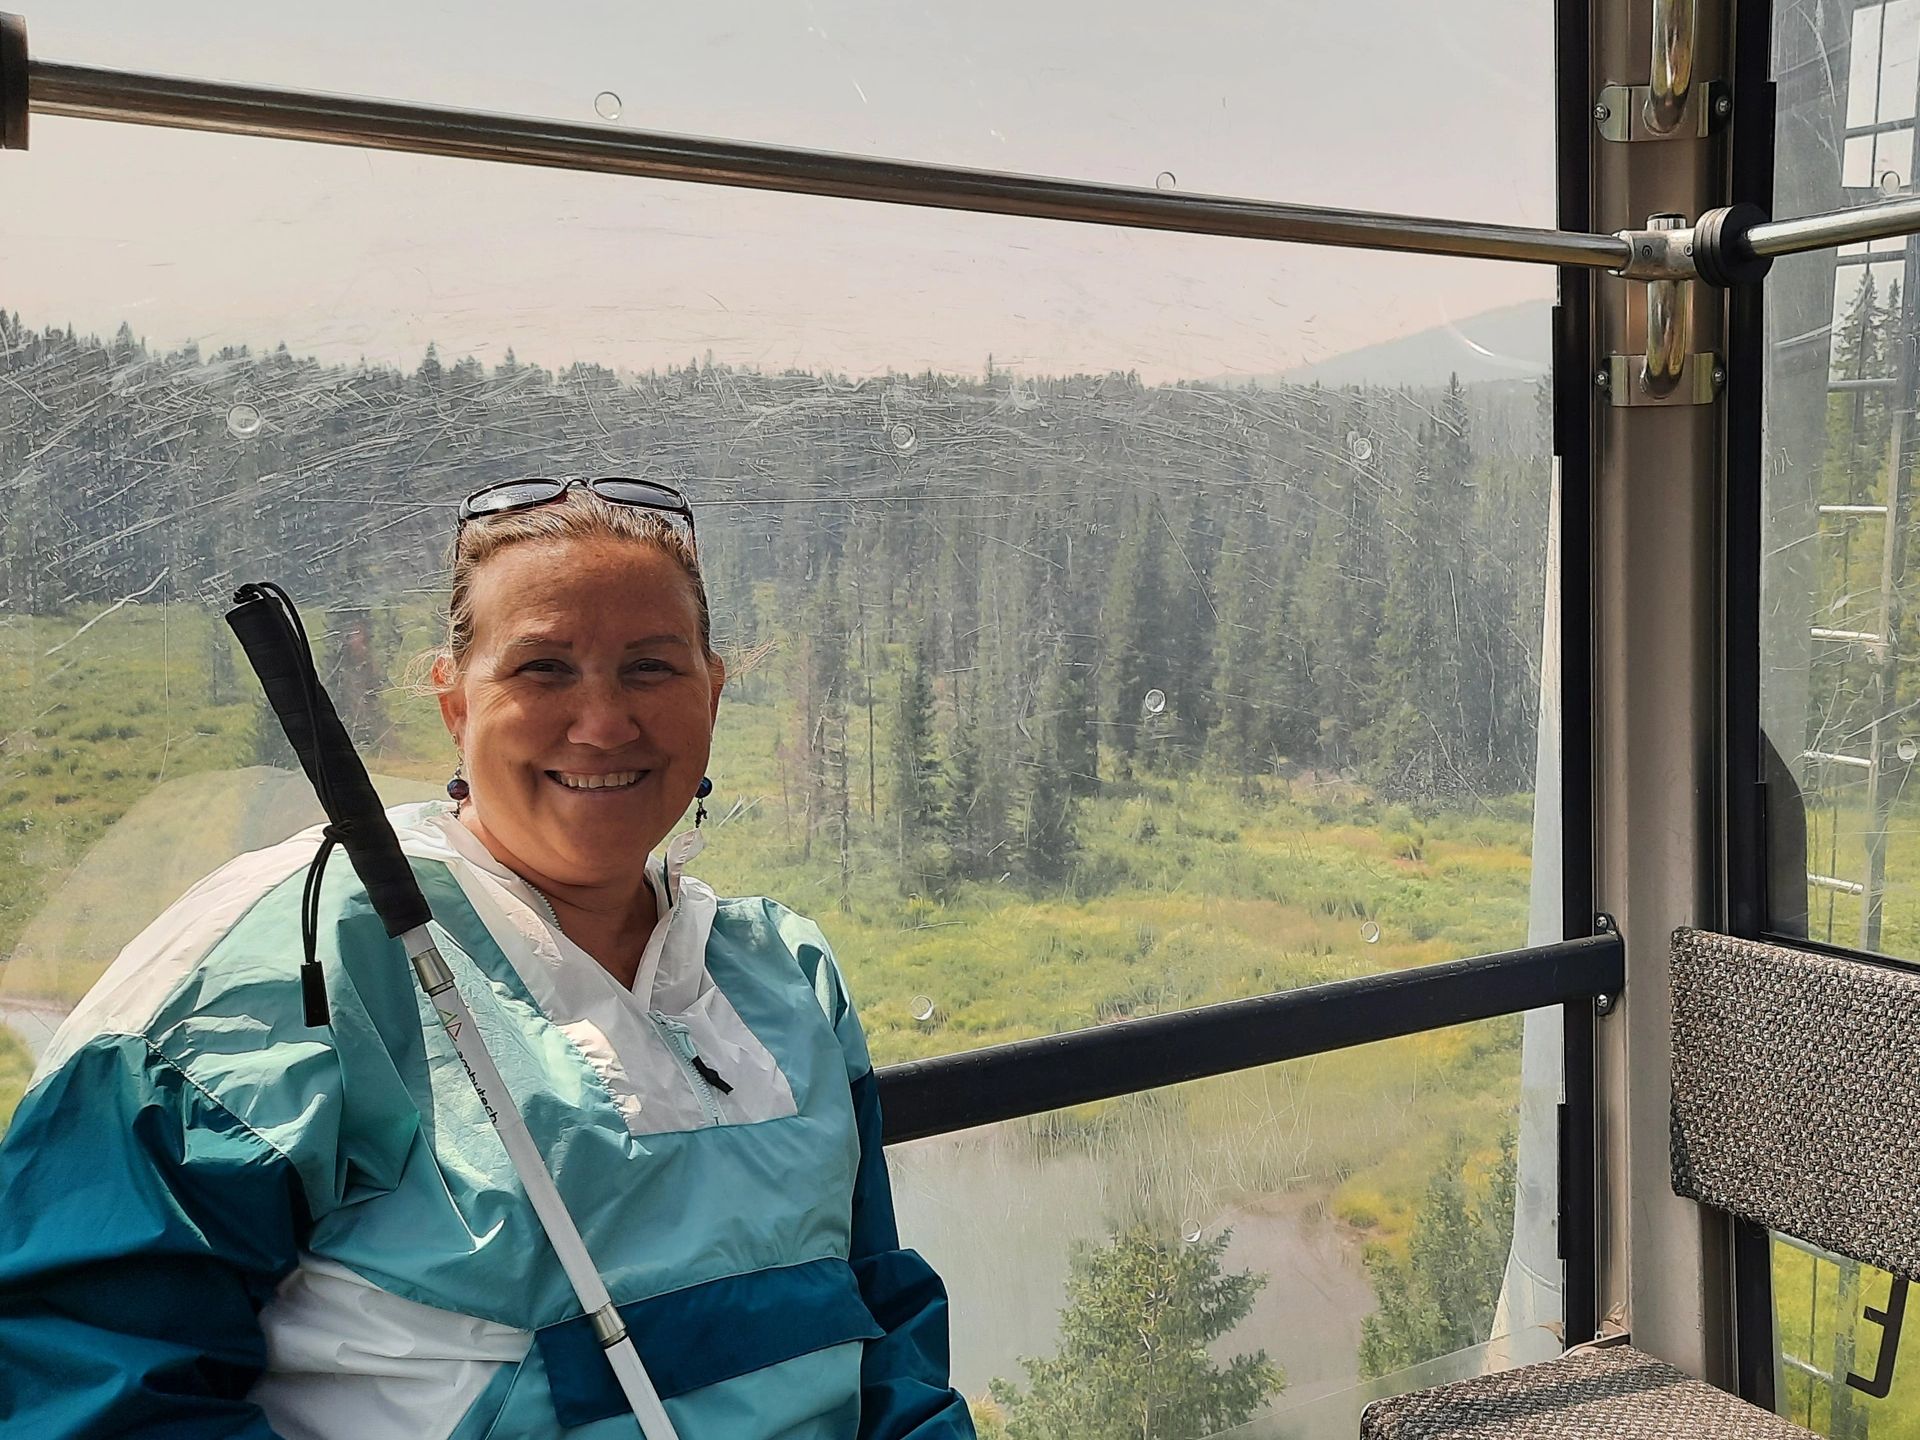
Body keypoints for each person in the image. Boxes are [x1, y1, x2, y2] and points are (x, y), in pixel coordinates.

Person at [0, 478, 976, 1440]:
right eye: (543, 669)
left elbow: (878, 1321)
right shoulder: (296, 957)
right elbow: (81, 1383)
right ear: (455, 700)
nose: (603, 723)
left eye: (651, 668)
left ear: (713, 690)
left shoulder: (786, 973)